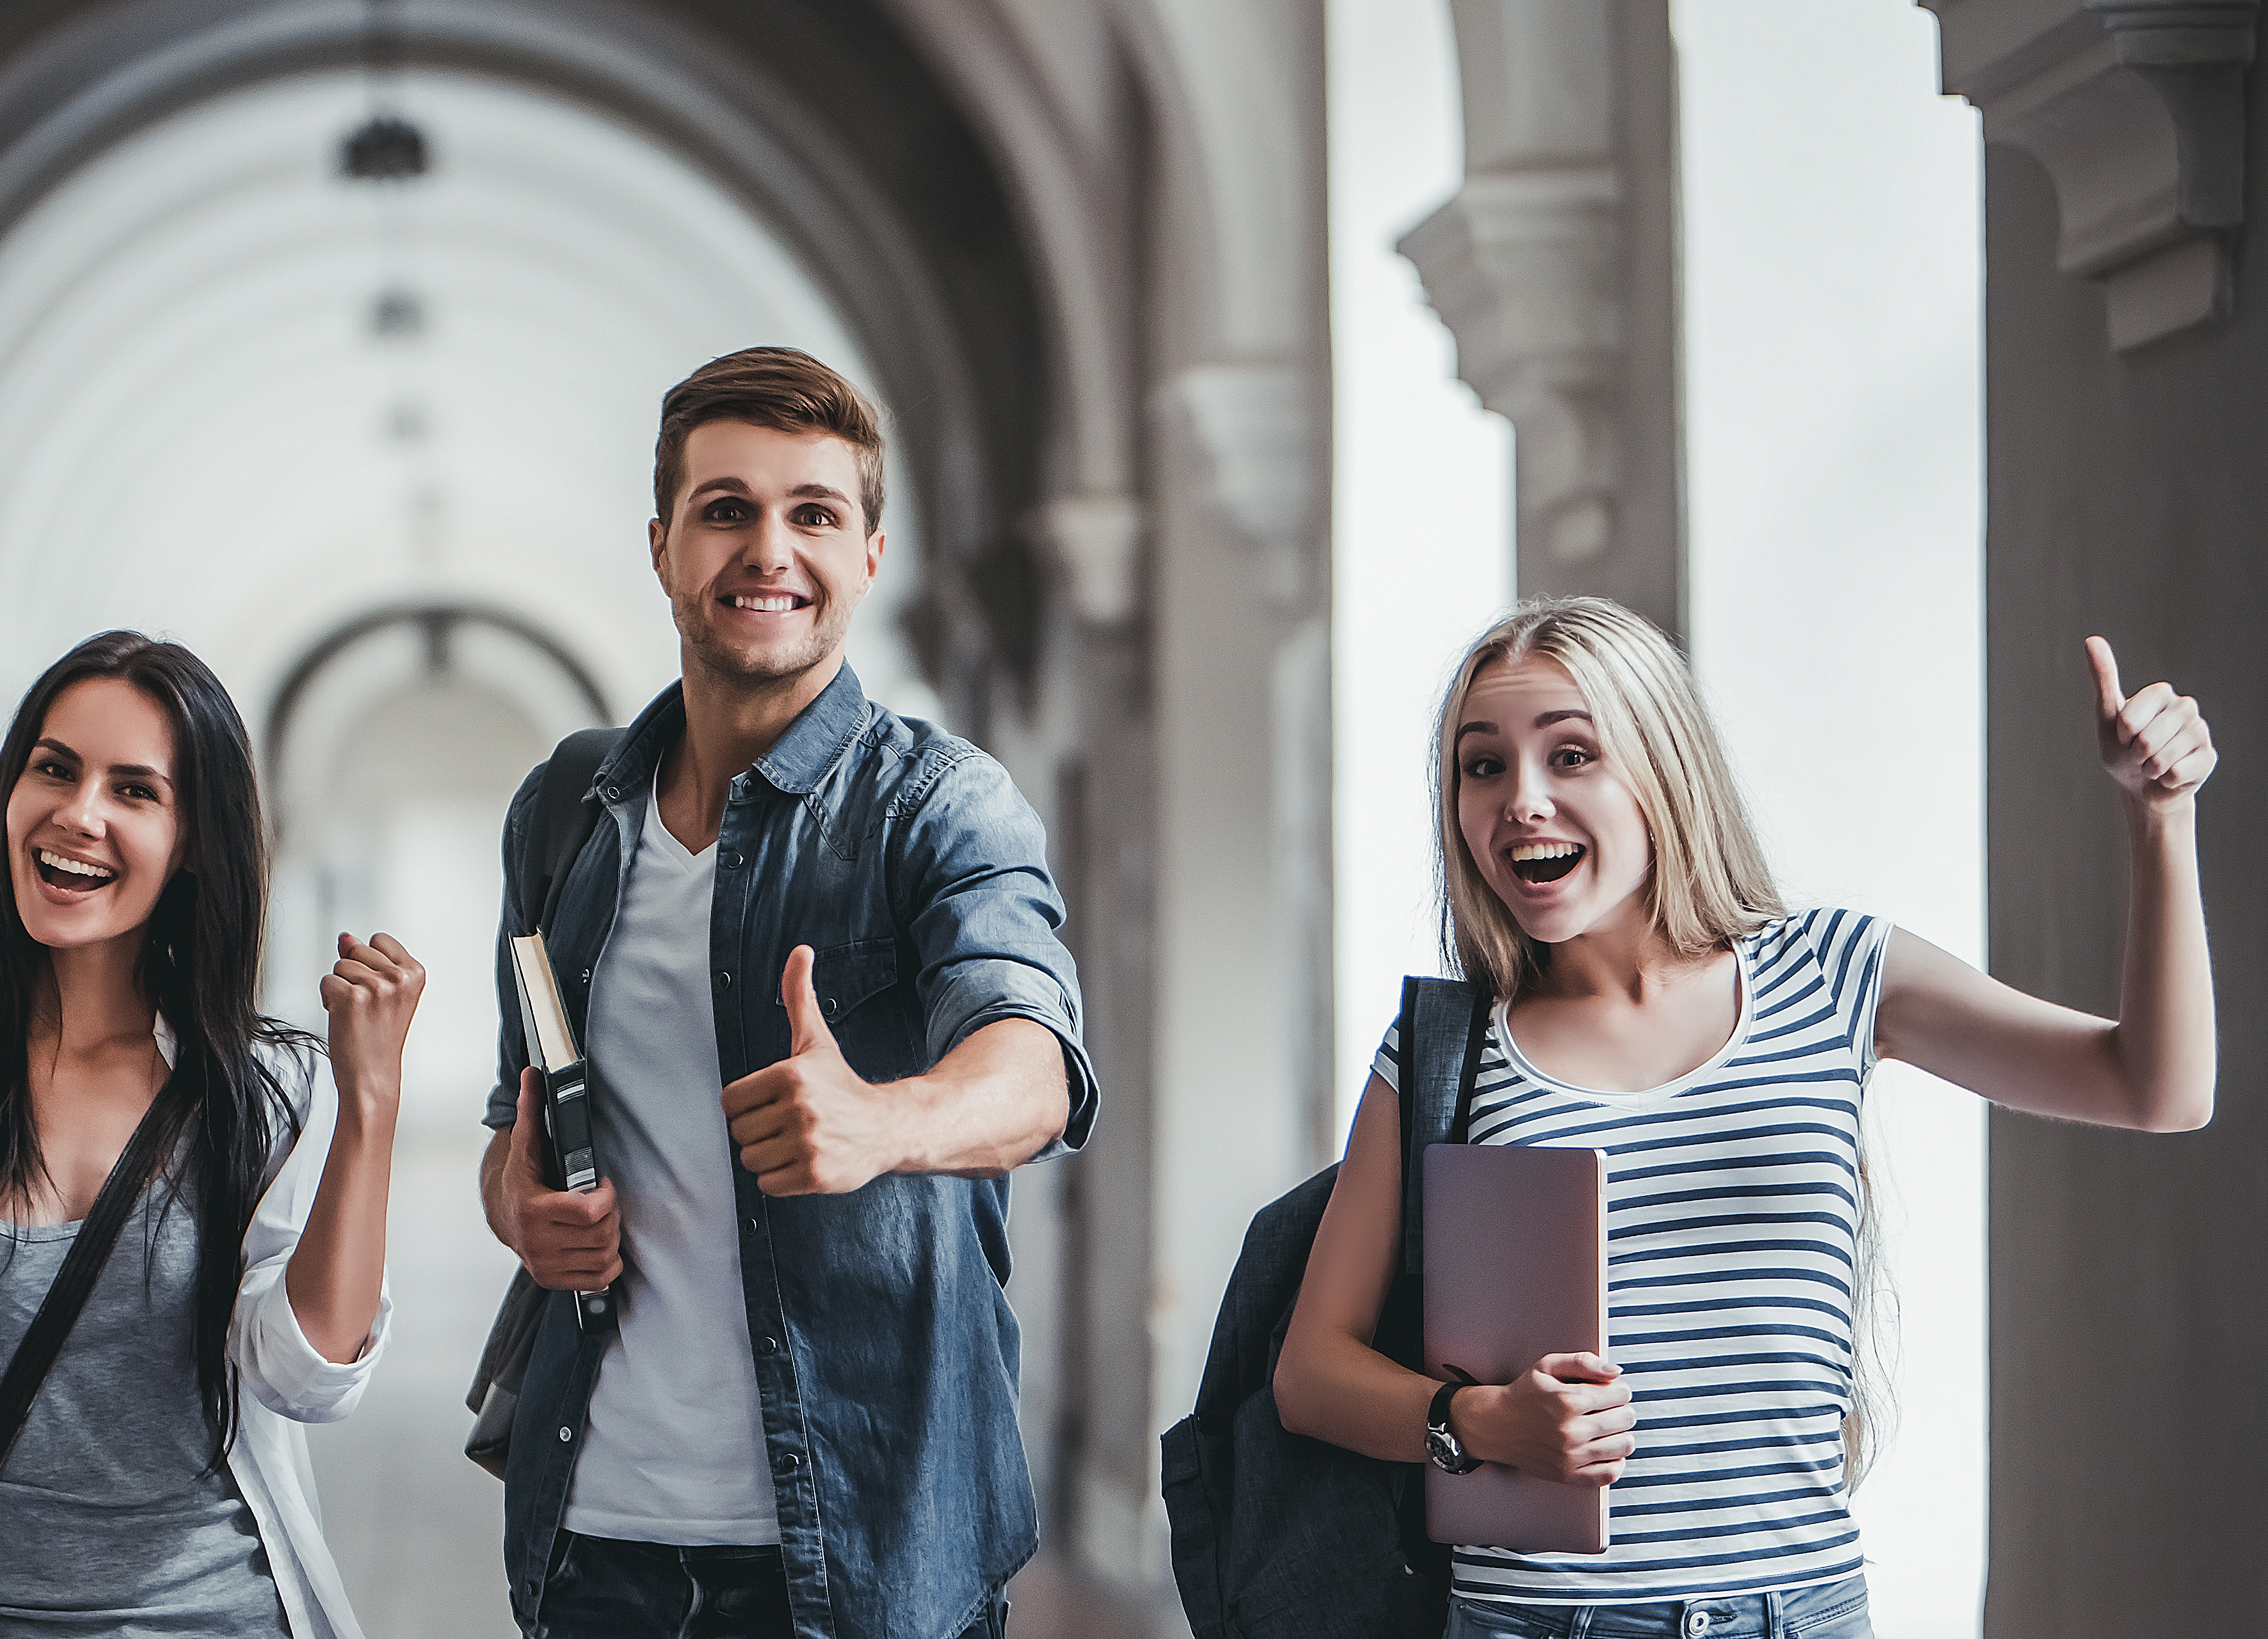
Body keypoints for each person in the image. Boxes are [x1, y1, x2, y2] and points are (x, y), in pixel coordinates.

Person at [1273, 597, 2221, 1637]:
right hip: (1538, 1622)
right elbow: (1312, 1372)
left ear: (1663, 771)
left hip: (1801, 1613)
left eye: (1573, 755)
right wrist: (1475, 1422)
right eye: (1482, 765)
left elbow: (2156, 1089)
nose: (1522, 801)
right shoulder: (1445, 1051)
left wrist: (2159, 821)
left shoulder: (1829, 972)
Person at [481, 347, 1098, 1639]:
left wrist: (886, 1122)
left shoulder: (939, 806)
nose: (769, 549)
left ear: (869, 555)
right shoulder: (563, 815)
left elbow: (1031, 1065)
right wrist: (524, 1212)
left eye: (813, 513)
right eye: (726, 510)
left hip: (865, 1550)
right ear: (662, 548)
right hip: (596, 1547)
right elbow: (517, 1131)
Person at [0, 631, 420, 1639]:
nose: (80, 814)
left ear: (193, 839)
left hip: (226, 1616)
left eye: (136, 790)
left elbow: (309, 1374)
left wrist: (369, 1104)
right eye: (56, 769)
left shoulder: (269, 1086)